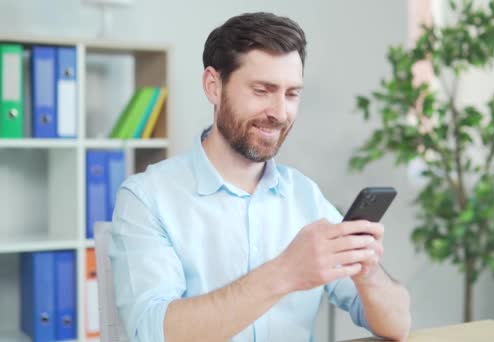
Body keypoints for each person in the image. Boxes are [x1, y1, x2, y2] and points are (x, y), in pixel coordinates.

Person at [110, 12, 411, 342]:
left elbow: (398, 326)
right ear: (213, 86)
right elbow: (152, 334)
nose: (280, 113)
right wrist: (286, 272)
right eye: (262, 90)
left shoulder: (304, 195)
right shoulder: (147, 198)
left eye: (292, 94)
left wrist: (367, 272)